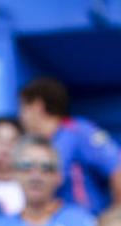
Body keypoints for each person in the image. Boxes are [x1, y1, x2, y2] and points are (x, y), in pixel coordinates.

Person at [18, 76, 121, 215]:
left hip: (87, 225)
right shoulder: (34, 144)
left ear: (37, 106)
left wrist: (116, 216)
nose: (21, 116)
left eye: (23, 108)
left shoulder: (78, 131)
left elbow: (117, 168)